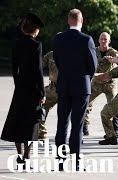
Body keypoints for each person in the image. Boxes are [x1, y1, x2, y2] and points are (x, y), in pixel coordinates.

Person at [52, 9, 98, 171]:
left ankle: (60, 161)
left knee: (62, 123)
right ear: (82, 20)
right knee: (77, 124)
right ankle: (76, 161)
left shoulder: (58, 39)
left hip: (64, 84)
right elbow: (93, 66)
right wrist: (85, 77)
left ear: (68, 20)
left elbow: (57, 60)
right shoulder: (87, 40)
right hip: (81, 85)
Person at [1, 12, 45, 167]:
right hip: (33, 90)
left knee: (17, 121)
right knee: (31, 124)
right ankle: (26, 156)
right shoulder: (36, 45)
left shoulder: (16, 43)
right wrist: (42, 92)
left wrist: (17, 82)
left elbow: (14, 67)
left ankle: (19, 155)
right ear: (34, 29)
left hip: (20, 88)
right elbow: (38, 71)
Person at [83, 32, 118, 136]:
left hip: (110, 83)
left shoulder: (112, 51)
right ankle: (84, 126)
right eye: (102, 39)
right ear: (99, 40)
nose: (103, 41)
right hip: (97, 82)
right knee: (86, 102)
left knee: (114, 105)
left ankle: (115, 130)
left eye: (106, 39)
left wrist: (114, 60)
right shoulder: (93, 50)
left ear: (109, 41)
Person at [38, 51, 58, 139]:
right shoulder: (51, 54)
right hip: (52, 88)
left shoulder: (73, 53)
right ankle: (41, 133)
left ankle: (77, 136)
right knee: (39, 107)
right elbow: (39, 65)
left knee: (74, 113)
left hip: (68, 89)